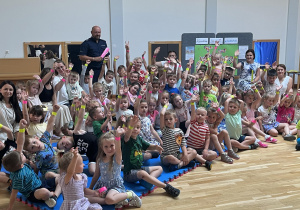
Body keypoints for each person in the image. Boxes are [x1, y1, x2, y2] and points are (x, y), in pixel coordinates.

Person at [2, 119, 60, 210]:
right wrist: (10, 208)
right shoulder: (17, 177)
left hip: (40, 183)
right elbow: (13, 194)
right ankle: (53, 195)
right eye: (21, 155)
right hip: (33, 193)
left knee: (59, 179)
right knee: (45, 192)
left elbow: (20, 143)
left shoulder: (18, 161)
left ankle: (54, 196)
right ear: (21, 165)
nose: (21, 153)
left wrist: (21, 128)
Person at [89, 130, 142, 208]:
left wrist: (117, 137)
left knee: (109, 199)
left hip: (115, 186)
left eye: (111, 146)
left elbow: (118, 148)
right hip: (103, 186)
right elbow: (96, 175)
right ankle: (119, 200)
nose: (109, 149)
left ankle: (129, 194)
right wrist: (91, 189)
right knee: (87, 198)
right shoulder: (100, 159)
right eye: (106, 146)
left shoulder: (117, 158)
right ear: (102, 147)